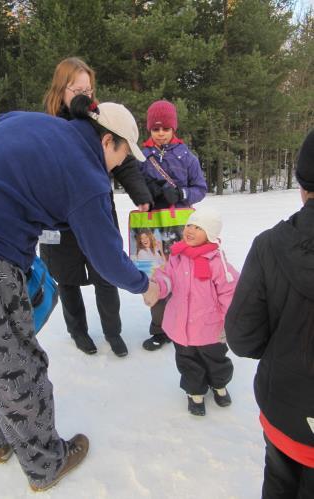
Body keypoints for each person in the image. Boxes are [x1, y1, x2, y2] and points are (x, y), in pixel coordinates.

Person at [0, 99, 159, 492]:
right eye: (123, 154)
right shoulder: (87, 176)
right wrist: (146, 286)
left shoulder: (22, 118)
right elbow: (107, 260)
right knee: (14, 362)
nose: (120, 163)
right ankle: (45, 465)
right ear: (107, 141)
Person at [40, 57, 152, 357]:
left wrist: (140, 193)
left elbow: (125, 159)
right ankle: (78, 332)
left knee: (106, 275)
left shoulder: (100, 118)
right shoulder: (47, 126)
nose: (85, 96)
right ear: (60, 90)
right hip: (60, 223)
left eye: (89, 90)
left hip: (97, 211)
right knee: (66, 279)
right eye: (77, 89)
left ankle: (113, 332)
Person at [225, 130, 314, 498]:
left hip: (284, 410)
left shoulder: (268, 246)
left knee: (279, 485)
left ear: (302, 186)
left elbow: (243, 337)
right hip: (286, 410)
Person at [151, 207, 238, 415]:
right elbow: (167, 278)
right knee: (188, 362)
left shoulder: (217, 263)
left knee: (216, 360)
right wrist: (157, 287)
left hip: (209, 328)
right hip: (181, 326)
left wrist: (230, 323)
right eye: (189, 225)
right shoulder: (176, 256)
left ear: (210, 234)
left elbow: (230, 293)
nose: (190, 230)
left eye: (199, 227)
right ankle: (195, 392)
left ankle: (219, 385)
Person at [138, 100, 207, 351]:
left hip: (182, 227)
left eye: (165, 129)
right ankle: (159, 329)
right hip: (154, 226)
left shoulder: (186, 156)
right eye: (156, 129)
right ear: (149, 130)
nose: (160, 134)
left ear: (173, 128)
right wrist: (149, 194)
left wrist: (181, 195)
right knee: (158, 276)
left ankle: (188, 321)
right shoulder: (141, 156)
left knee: (185, 275)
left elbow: (201, 188)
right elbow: (132, 183)